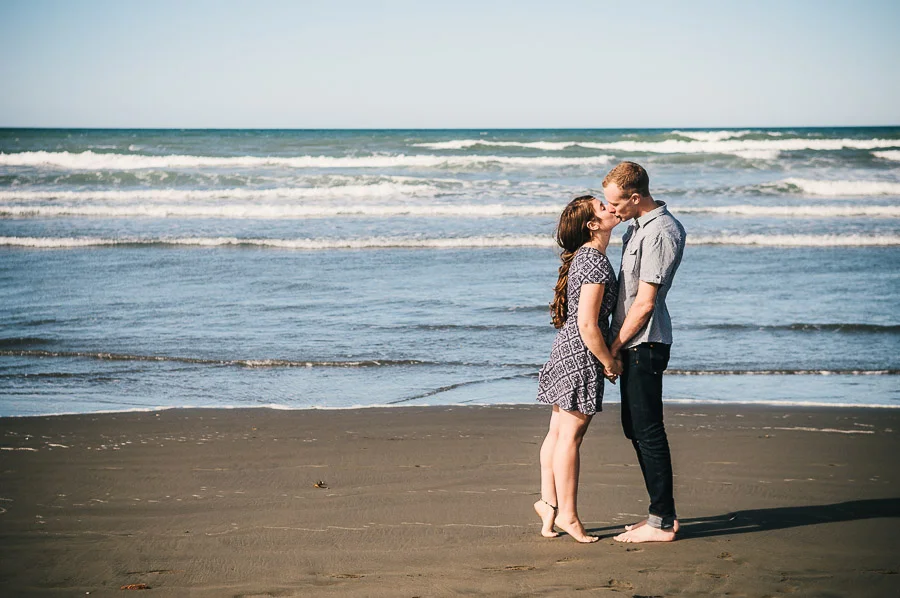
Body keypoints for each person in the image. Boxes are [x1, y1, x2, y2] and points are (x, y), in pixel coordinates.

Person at [602, 161, 686, 543]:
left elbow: (646, 303)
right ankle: (659, 513)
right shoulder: (637, 228)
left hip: (645, 343)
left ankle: (662, 522)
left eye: (616, 203)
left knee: (648, 431)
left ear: (635, 198)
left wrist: (614, 346)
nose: (612, 210)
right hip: (632, 342)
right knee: (634, 428)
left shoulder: (661, 232)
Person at [534, 194, 622, 543]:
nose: (611, 207)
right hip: (581, 354)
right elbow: (588, 323)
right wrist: (609, 361)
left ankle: (548, 504)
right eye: (603, 207)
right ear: (592, 225)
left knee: (558, 432)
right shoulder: (594, 261)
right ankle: (568, 515)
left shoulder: (584, 256)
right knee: (571, 436)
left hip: (565, 349)